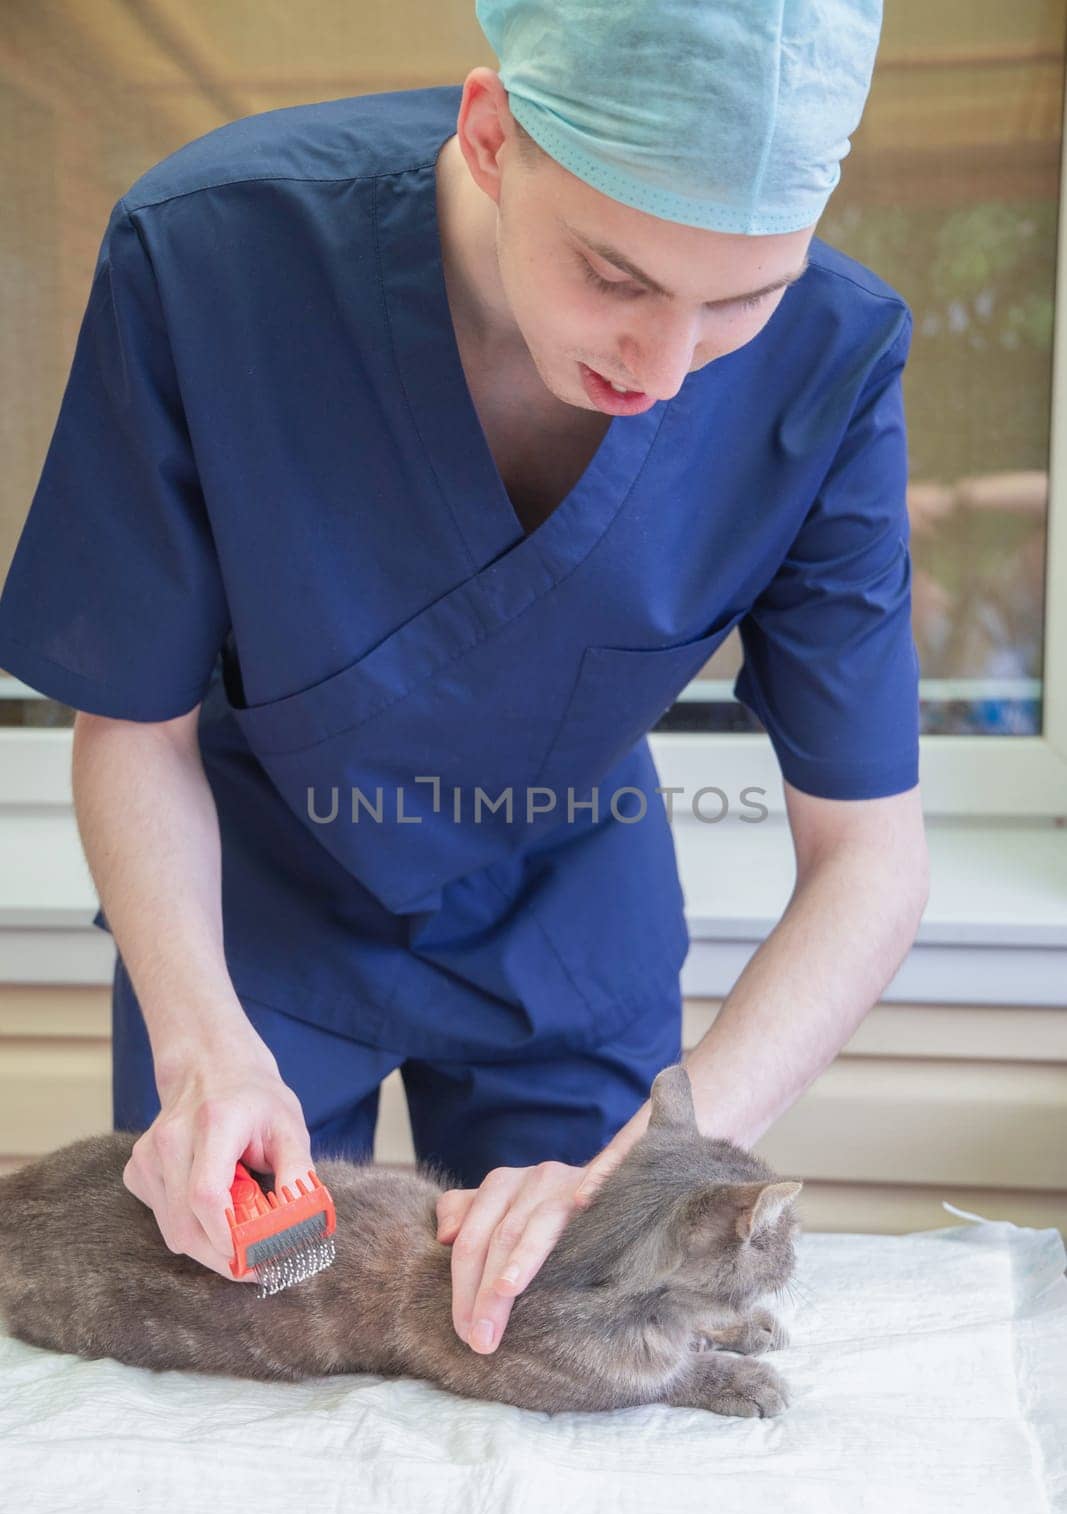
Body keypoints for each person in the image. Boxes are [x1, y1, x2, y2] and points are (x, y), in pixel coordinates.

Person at [0, 0, 929, 1359]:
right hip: (243, 915)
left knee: (575, 1332)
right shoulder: (212, 262)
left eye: (739, 301)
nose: (664, 368)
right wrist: (204, 1050)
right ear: (491, 137)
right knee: (237, 1336)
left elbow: (871, 857)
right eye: (615, 278)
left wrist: (668, 1146)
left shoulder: (832, 364)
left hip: (569, 908)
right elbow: (131, 726)